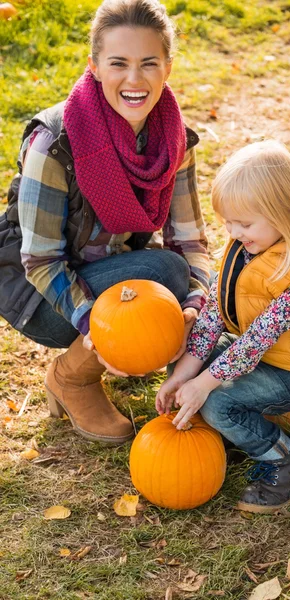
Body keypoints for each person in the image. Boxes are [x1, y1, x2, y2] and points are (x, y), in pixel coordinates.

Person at [0, 0, 209, 445]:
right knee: (164, 272)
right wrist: (96, 324)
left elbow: (191, 243)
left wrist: (194, 306)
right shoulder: (54, 143)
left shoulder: (174, 140)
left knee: (180, 274)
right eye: (119, 63)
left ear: (167, 68)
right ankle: (72, 379)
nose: (134, 80)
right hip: (38, 295)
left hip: (111, 270)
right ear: (94, 66)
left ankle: (154, 358)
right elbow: (39, 261)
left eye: (148, 63)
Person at [156, 140, 290, 514]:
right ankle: (237, 430)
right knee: (189, 373)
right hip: (266, 357)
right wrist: (183, 374)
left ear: (285, 214)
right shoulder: (248, 245)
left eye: (244, 223)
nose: (234, 232)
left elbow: (256, 340)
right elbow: (214, 315)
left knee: (218, 402)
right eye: (228, 222)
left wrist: (204, 384)